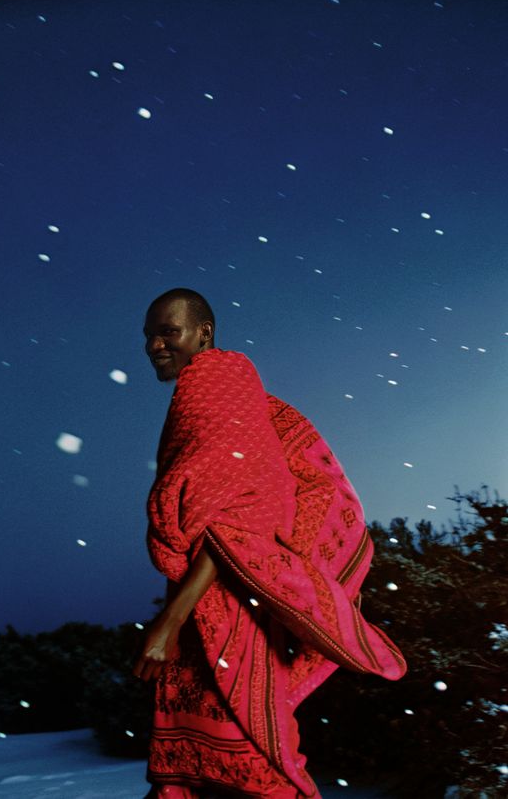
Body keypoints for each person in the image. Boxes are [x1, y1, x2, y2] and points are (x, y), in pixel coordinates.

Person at [133, 288, 407, 798]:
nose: (153, 345)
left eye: (168, 331)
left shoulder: (217, 380)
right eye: (148, 335)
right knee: (195, 768)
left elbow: (242, 513)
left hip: (229, 603)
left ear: (204, 333)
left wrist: (169, 623)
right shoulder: (209, 388)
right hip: (214, 596)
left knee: (253, 763)